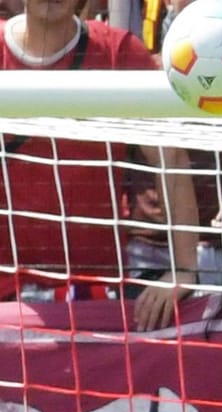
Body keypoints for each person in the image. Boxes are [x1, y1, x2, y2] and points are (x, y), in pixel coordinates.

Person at [1, 0, 199, 329]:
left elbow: (170, 158)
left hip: (96, 298)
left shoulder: (119, 54)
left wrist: (184, 270)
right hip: (7, 301)